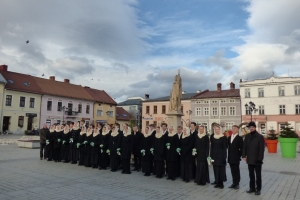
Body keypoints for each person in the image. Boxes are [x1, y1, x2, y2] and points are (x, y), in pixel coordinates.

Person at [242, 122, 265, 196]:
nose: (251, 128)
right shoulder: (247, 136)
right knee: (251, 174)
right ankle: (252, 188)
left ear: (255, 127)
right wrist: (244, 156)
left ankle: (258, 189)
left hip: (257, 159)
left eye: (252, 127)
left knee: (258, 175)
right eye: (250, 127)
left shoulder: (259, 137)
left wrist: (260, 158)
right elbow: (244, 147)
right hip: (250, 159)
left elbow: (261, 149)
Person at [228, 125, 244, 189]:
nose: (233, 130)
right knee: (232, 170)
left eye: (235, 128)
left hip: (236, 157)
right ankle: (233, 183)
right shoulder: (229, 137)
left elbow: (242, 148)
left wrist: (239, 155)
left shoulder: (239, 138)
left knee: (236, 170)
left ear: (238, 130)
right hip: (230, 157)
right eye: (233, 128)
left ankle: (237, 183)